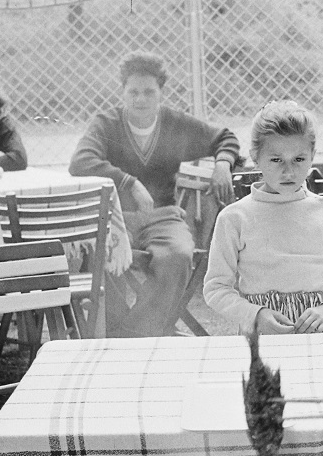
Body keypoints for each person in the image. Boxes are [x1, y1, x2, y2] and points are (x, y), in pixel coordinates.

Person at [69, 51, 241, 337]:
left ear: (161, 92)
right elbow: (80, 162)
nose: (140, 99)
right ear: (122, 91)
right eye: (133, 91)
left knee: (178, 255)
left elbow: (225, 137)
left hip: (163, 217)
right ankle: (131, 329)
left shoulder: (176, 123)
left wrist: (223, 162)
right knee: (98, 254)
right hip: (117, 218)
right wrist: (128, 182)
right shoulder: (106, 123)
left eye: (149, 92)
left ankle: (131, 334)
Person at [203, 101, 323, 334]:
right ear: (255, 157)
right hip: (263, 332)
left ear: (312, 156)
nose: (288, 171)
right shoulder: (234, 218)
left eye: (299, 159)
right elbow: (216, 289)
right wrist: (255, 314)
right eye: (276, 160)